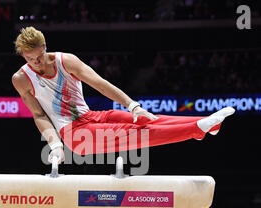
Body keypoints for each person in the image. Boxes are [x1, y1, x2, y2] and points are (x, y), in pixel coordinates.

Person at [12, 27, 235, 163]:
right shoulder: (21, 79)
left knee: (146, 119)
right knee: (137, 133)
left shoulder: (65, 61)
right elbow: (39, 115)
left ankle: (204, 126)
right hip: (75, 136)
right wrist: (56, 146)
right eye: (30, 59)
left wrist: (132, 106)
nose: (36, 63)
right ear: (23, 56)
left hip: (92, 117)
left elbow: (99, 83)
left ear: (45, 47)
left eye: (39, 57)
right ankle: (197, 129)